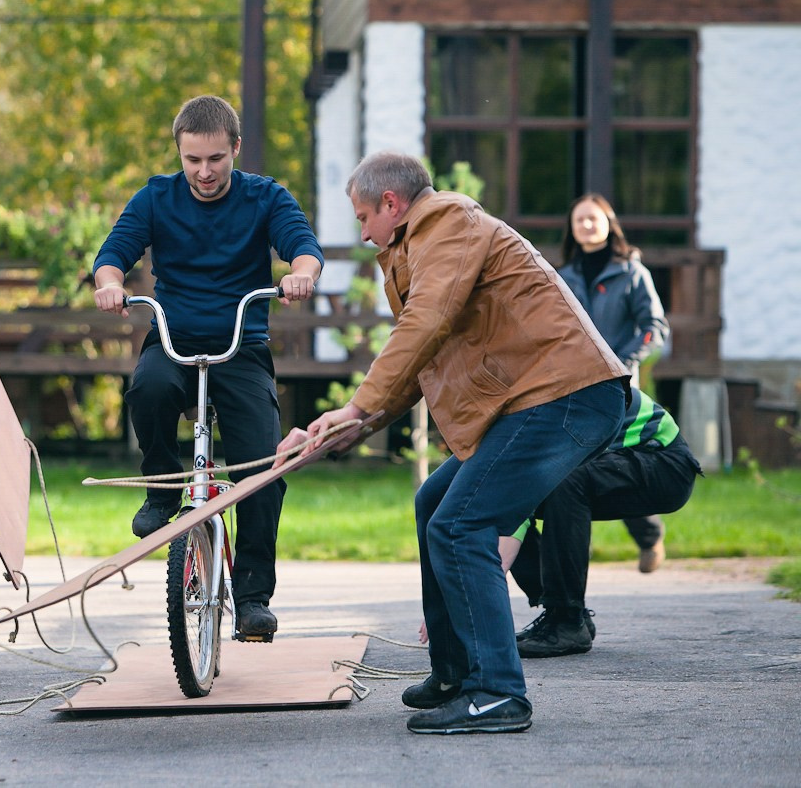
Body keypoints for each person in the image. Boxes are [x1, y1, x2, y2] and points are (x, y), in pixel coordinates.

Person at [276, 151, 630, 735]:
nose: (363, 233)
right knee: (435, 506)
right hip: (538, 399)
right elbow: (422, 363)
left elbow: (424, 323)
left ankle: (497, 694)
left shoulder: (447, 223)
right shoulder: (417, 246)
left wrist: (358, 404)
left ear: (392, 204)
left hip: (566, 395)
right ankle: (455, 673)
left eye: (363, 217)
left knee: (460, 524)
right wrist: (344, 429)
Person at [92, 95, 323, 642]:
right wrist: (110, 283)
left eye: (215, 159)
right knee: (146, 389)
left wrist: (301, 274)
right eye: (192, 159)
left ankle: (252, 598)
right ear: (179, 151)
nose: (203, 172)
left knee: (263, 469)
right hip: (173, 339)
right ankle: (162, 490)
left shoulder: (264, 196)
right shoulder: (156, 196)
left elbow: (303, 246)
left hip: (241, 346)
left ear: (235, 149)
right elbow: (114, 252)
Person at [507, 386, 702, 658]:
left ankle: (566, 620)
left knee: (564, 482)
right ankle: (565, 616)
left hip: (664, 460)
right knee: (509, 498)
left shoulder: (544, 391)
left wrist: (489, 580)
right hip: (621, 458)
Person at [560, 193, 671, 572]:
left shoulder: (632, 272)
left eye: (593, 219)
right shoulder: (563, 276)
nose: (587, 225)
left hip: (620, 390)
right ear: (572, 229)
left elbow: (654, 327)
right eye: (580, 220)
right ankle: (571, 551)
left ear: (609, 223)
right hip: (574, 389)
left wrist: (620, 363)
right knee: (570, 469)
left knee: (616, 465)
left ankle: (649, 536)